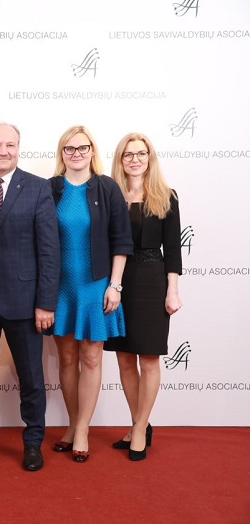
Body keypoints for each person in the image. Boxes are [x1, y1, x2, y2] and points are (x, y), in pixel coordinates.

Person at [0, 123, 60, 472]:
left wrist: (46, 303)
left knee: (30, 376)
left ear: (19, 148)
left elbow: (49, 250)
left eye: (10, 145)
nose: (3, 151)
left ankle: (33, 442)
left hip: (24, 300)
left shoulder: (37, 187)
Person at [48, 125, 133, 463]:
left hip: (96, 283)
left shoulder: (107, 187)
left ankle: (83, 428)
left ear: (92, 151)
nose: (76, 153)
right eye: (69, 148)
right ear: (62, 153)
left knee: (92, 358)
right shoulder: (50, 188)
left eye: (82, 148)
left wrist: (115, 285)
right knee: (67, 358)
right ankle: (72, 424)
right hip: (59, 286)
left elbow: (121, 240)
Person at [105, 133, 182, 461]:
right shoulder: (110, 196)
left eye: (141, 153)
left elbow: (173, 249)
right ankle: (140, 423)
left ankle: (138, 428)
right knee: (124, 358)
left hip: (152, 281)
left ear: (149, 158)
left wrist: (172, 290)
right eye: (128, 154)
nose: (135, 159)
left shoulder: (166, 196)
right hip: (118, 280)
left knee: (149, 358)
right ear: (120, 160)